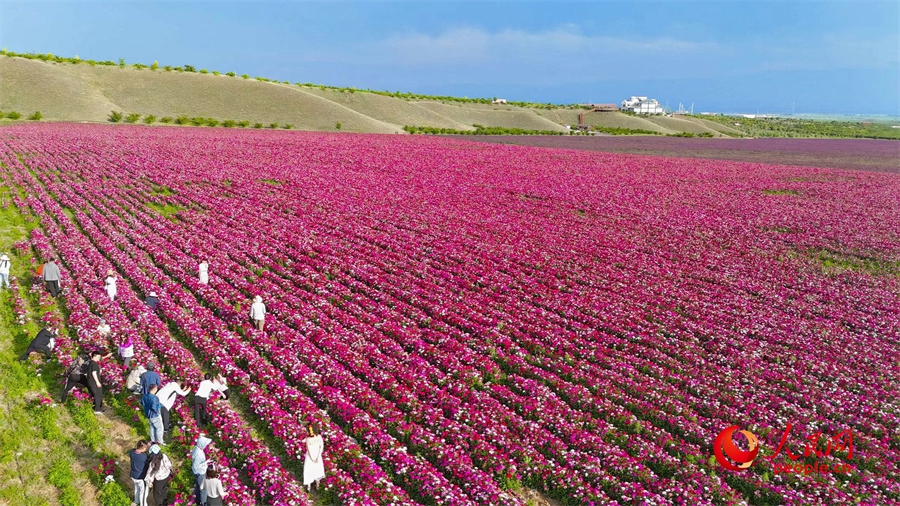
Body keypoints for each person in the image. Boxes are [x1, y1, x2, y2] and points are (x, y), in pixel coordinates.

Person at [303, 424, 326, 491]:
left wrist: (314, 457)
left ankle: (311, 485)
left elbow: (310, 449)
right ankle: (315, 485)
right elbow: (321, 447)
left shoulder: (309, 439)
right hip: (315, 455)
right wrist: (317, 457)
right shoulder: (318, 437)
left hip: (313, 456)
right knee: (314, 469)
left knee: (311, 469)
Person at [191, 435, 212, 506]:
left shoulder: (196, 448)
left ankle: (197, 500)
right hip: (200, 473)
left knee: (198, 486)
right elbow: (197, 466)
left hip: (196, 472)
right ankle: (203, 503)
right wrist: (206, 462)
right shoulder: (198, 454)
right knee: (203, 489)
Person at [128, 439, 151, 506]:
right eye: (146, 448)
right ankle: (142, 504)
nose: (146, 449)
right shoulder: (144, 456)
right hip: (140, 477)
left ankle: (136, 501)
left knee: (136, 489)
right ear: (143, 448)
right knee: (142, 492)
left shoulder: (132, 452)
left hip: (133, 475)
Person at [86, 349, 105, 414]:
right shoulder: (94, 364)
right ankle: (97, 409)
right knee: (98, 395)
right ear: (94, 356)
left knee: (96, 394)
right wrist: (97, 382)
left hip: (90, 381)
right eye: (98, 357)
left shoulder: (91, 363)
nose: (99, 359)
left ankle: (97, 407)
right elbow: (94, 373)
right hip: (94, 382)